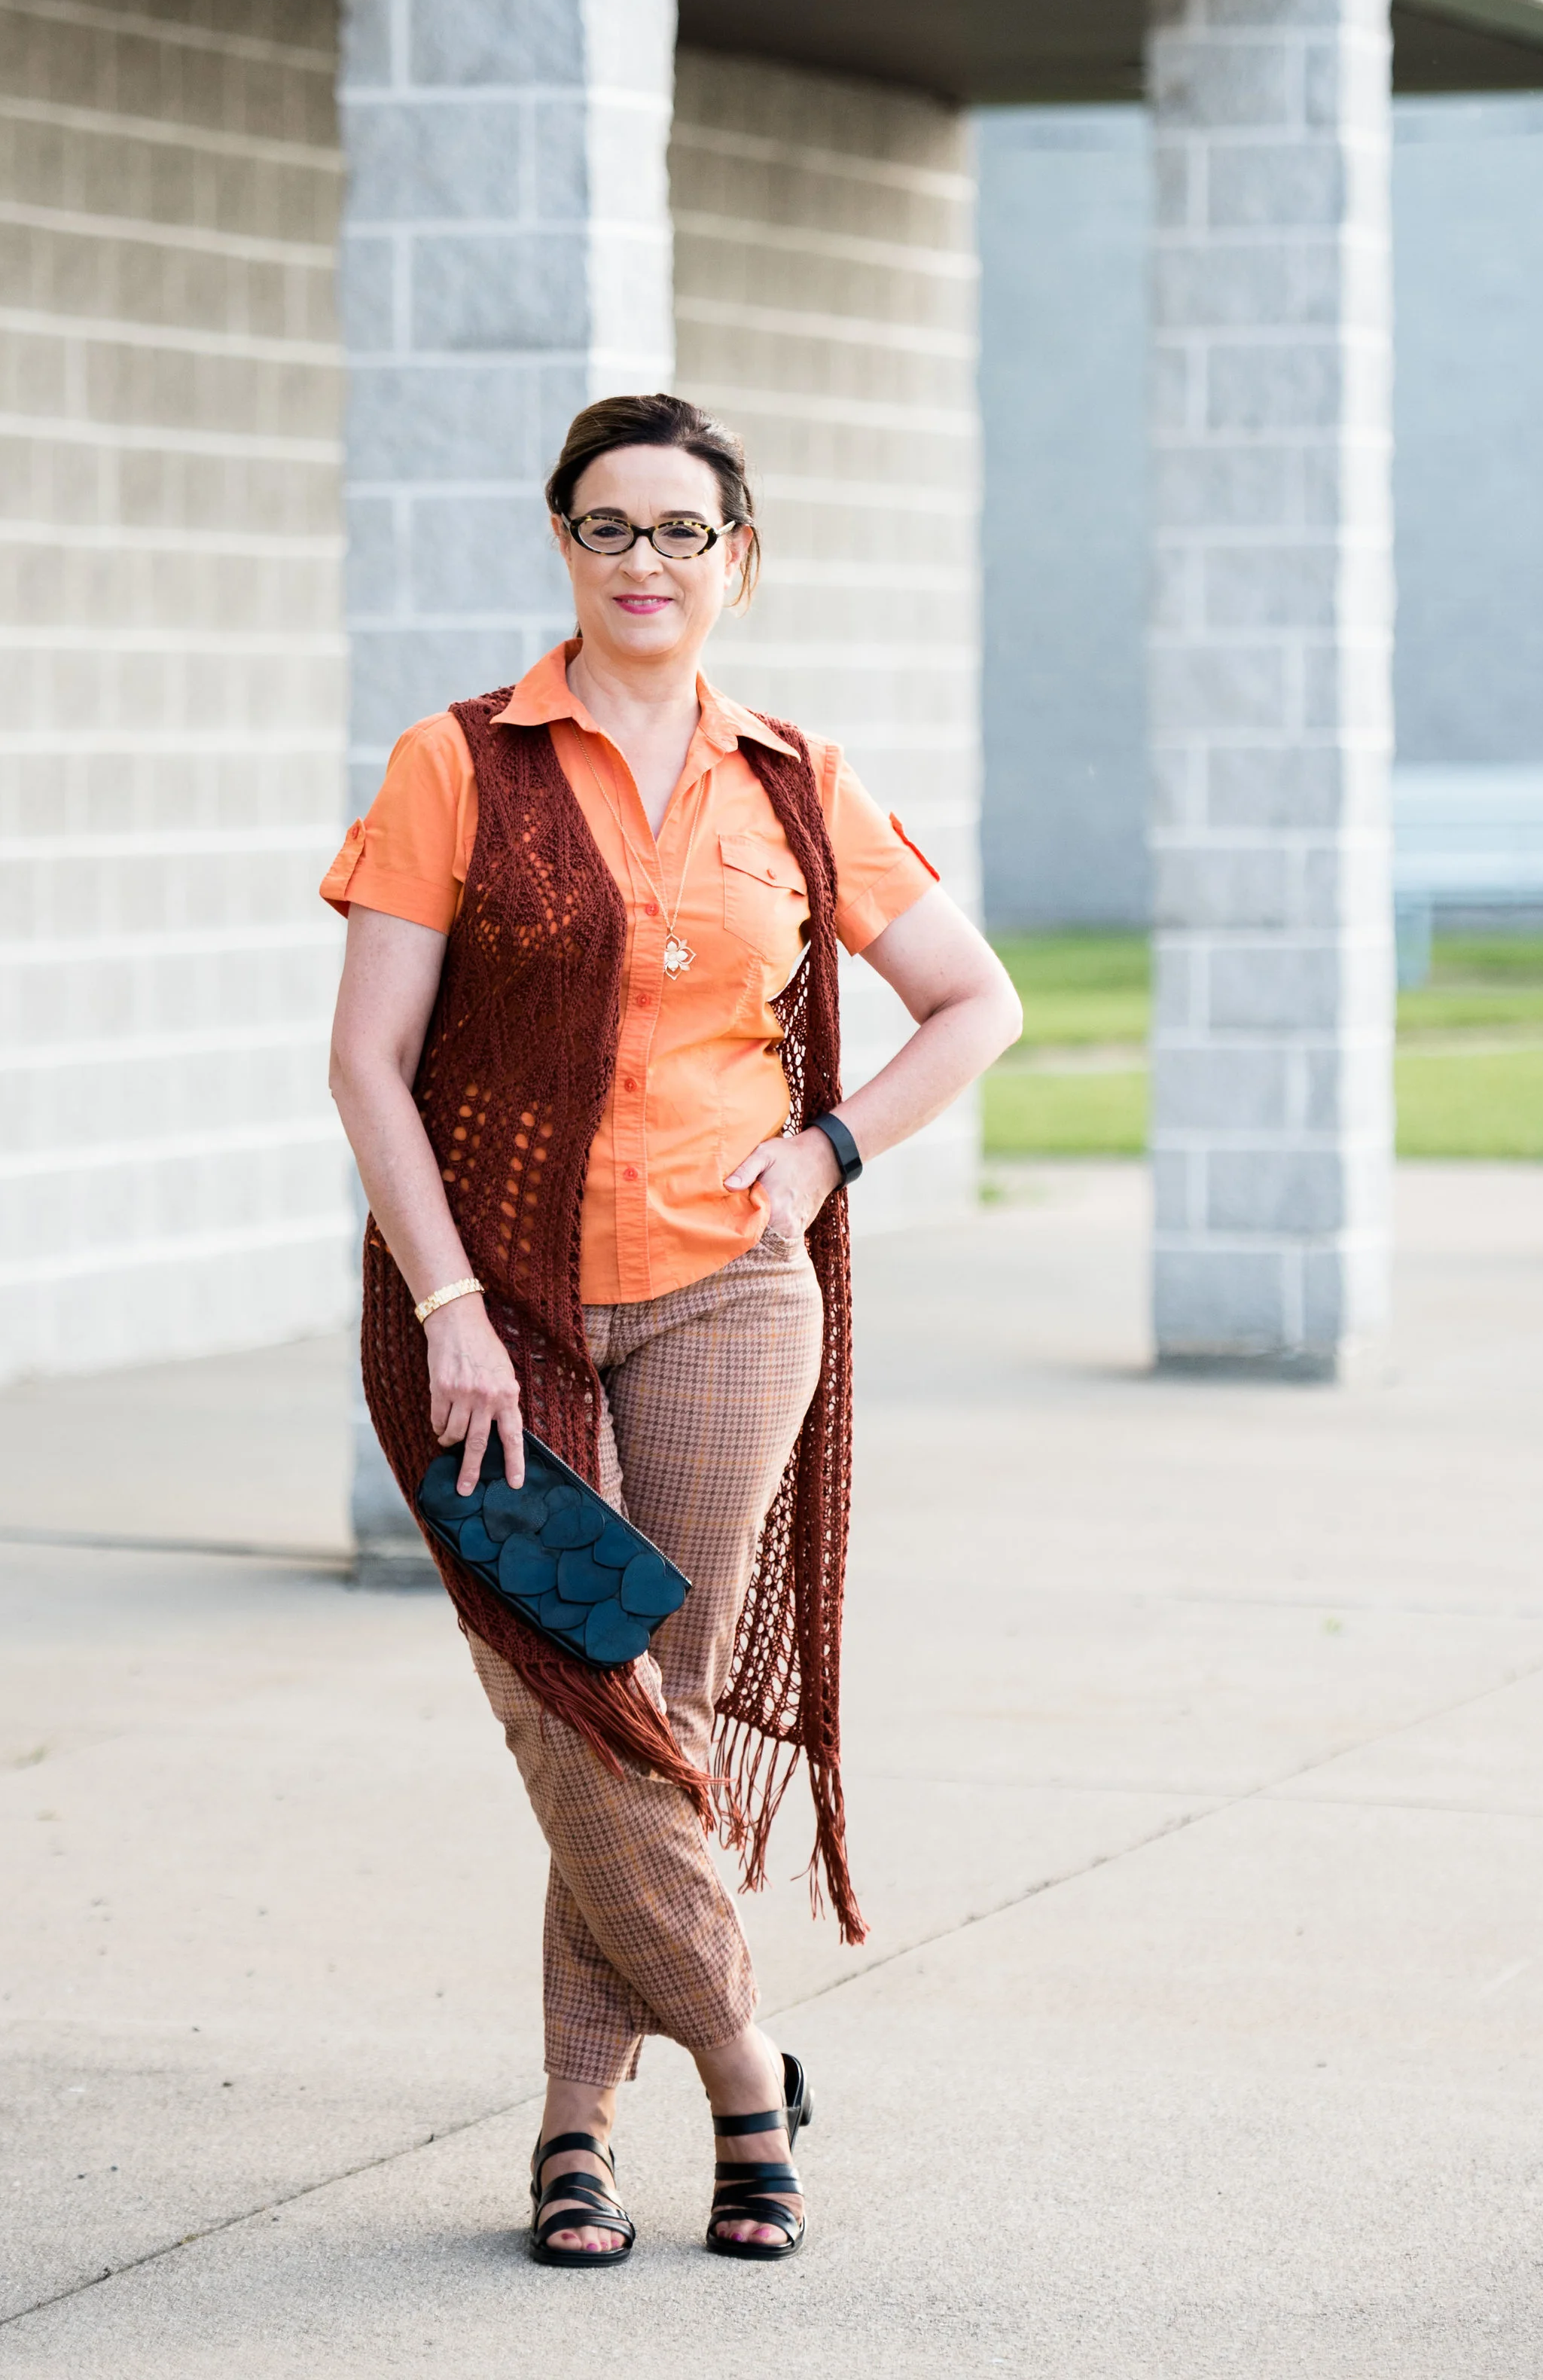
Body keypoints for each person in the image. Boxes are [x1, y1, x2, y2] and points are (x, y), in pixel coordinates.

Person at [323, 393, 1020, 2264]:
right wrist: (452, 1304)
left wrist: (827, 1152)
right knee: (585, 1684)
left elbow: (975, 1004)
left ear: (740, 561)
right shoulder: (457, 764)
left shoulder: (797, 781)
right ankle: (741, 2068)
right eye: (611, 527)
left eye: (682, 531)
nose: (647, 562)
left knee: (657, 1704)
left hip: (730, 1300)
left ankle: (572, 2126)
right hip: (495, 1319)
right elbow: (369, 1067)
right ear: (564, 543)